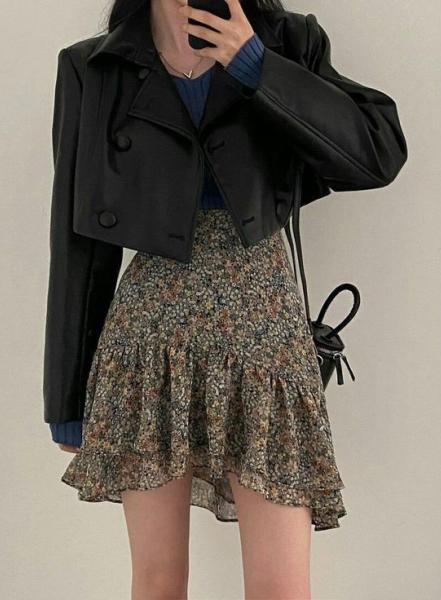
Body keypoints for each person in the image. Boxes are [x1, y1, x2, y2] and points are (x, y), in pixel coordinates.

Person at [43, 0, 407, 597]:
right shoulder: (93, 66)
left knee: (281, 587)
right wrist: (66, 396)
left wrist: (256, 65)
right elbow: (77, 238)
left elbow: (377, 154)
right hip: (150, 341)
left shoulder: (285, 41)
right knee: (158, 583)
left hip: (265, 331)